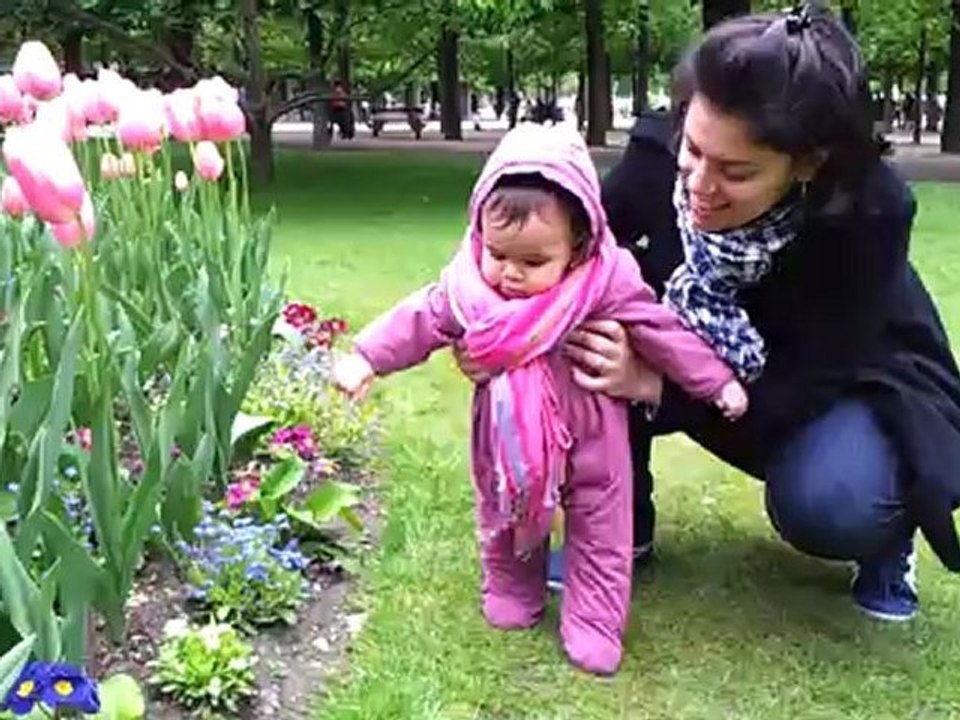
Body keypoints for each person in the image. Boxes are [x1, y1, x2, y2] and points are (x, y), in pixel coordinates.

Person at [525, 3, 960, 623]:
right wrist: (491, 325)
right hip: (709, 362)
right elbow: (572, 250)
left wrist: (657, 386)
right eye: (694, 149)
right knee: (586, 332)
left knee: (831, 500)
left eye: (735, 171)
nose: (699, 185)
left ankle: (888, 534)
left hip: (847, 379)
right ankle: (621, 527)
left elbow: (809, 381)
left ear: (807, 163)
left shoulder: (866, 215)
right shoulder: (657, 156)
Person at [332, 123, 746, 675]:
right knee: (504, 513)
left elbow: (661, 330)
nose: (510, 274)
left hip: (595, 437)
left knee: (601, 531)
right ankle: (511, 589)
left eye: (533, 262)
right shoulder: (465, 290)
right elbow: (419, 319)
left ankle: (594, 623)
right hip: (508, 440)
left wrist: (715, 380)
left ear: (577, 247)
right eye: (498, 253)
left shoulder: (605, 281)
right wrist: (366, 358)